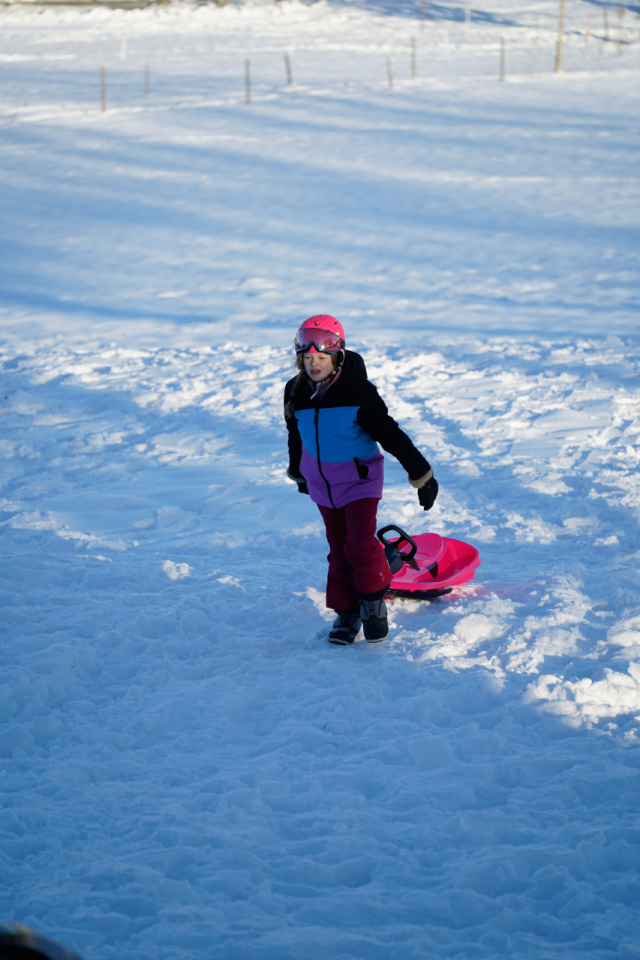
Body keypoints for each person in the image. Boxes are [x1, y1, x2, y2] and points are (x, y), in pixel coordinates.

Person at [284, 315, 438, 645]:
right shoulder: (295, 391)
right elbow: (295, 435)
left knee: (359, 544)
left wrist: (421, 474)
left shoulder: (358, 391)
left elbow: (390, 434)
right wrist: (298, 471)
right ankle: (347, 611)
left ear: (337, 355)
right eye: (307, 358)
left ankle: (372, 604)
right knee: (338, 549)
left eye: (321, 357)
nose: (313, 364)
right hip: (322, 484)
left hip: (359, 481)